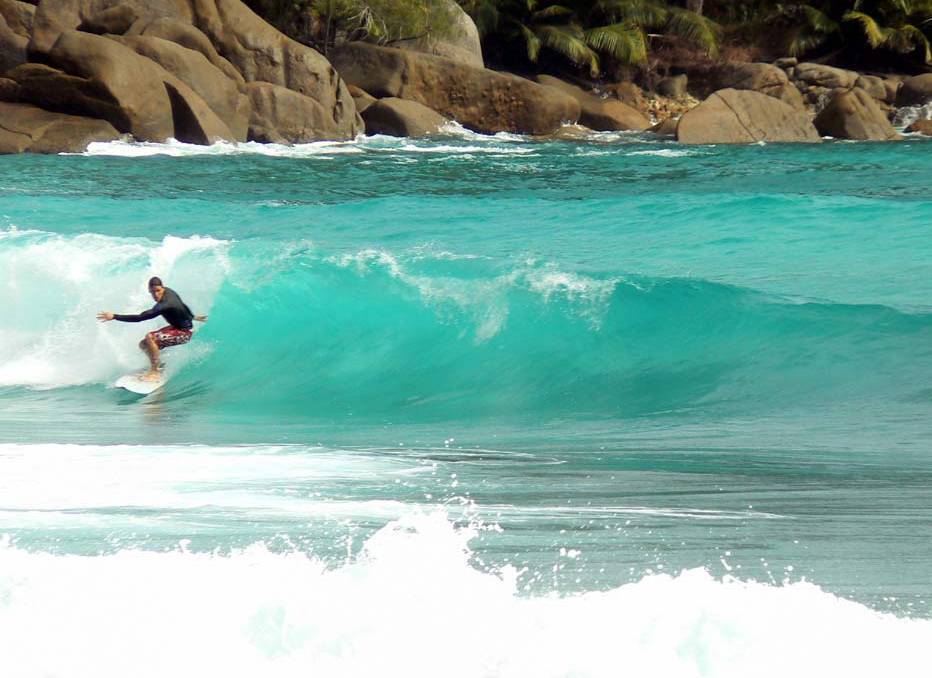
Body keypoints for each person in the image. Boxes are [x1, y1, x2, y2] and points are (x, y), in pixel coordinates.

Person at [97, 276, 207, 381]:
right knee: (143, 344)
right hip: (177, 327)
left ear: (162, 287)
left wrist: (115, 316)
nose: (155, 295)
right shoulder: (169, 291)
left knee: (150, 337)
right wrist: (192, 316)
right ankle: (159, 363)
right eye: (152, 292)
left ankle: (155, 371)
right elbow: (182, 305)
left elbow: (140, 318)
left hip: (184, 333)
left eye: (158, 291)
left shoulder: (164, 304)